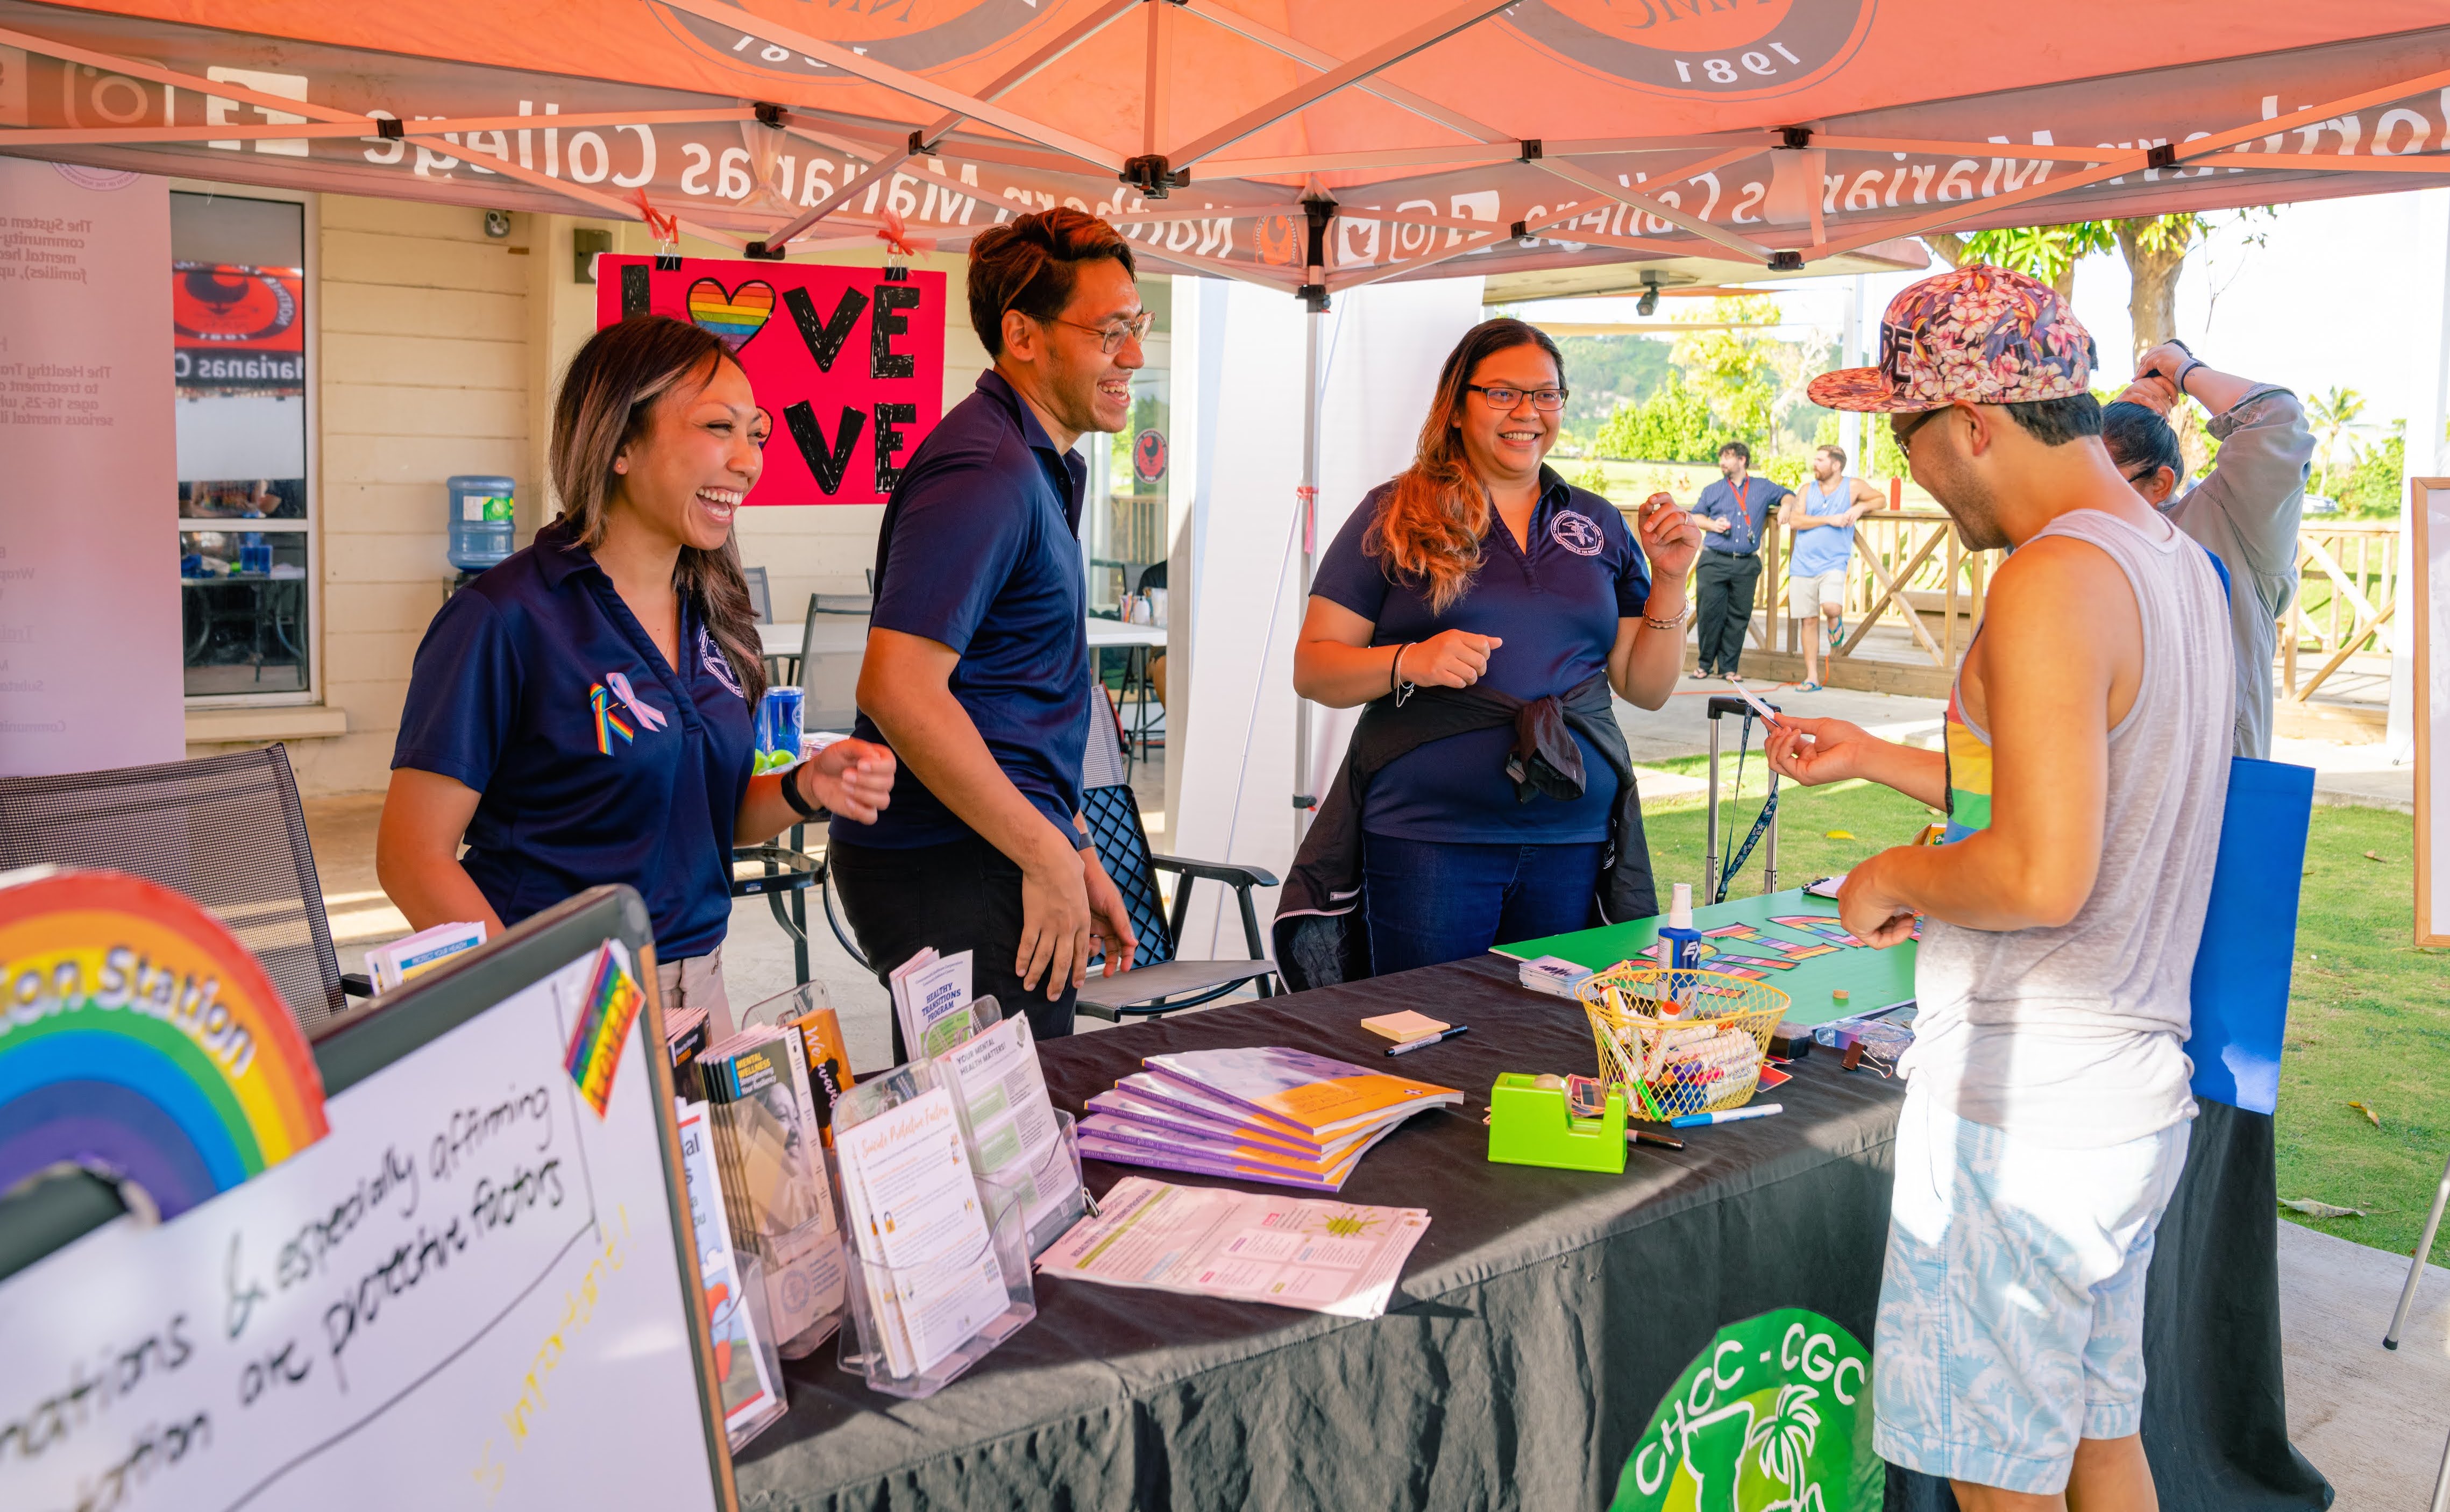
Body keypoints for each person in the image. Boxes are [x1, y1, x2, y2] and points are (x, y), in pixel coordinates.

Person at [1774, 265, 2233, 1511]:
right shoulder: (2168, 561)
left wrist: (1889, 874)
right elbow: (2067, 788)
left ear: (1970, 421)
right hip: (2126, 1089)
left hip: (2026, 1106)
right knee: (2095, 1439)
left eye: (1903, 432)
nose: (1904, 468)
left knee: (1998, 1477)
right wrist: (1880, 765)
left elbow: (2035, 869)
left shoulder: (2046, 578)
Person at [379, 317, 897, 1038]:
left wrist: (805, 786)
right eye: (718, 426)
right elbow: (411, 856)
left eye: (757, 432)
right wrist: (540, 1006)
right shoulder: (503, 617)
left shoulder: (714, 611)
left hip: (700, 987)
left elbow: (703, 817)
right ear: (618, 443)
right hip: (563, 994)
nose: (747, 460)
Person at [1275, 318, 1702, 979]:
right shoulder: (1392, 513)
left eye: (1546, 394)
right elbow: (1314, 667)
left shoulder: (1595, 522)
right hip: (1430, 839)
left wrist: (1669, 581)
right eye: (1502, 394)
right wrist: (1408, 660)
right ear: (1456, 405)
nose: (1527, 413)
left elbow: (1643, 688)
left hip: (1571, 837)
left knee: (1548, 1048)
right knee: (1426, 1040)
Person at [830, 207, 1145, 1050]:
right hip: (950, 859)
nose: (1135, 356)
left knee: (1013, 1141)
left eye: (1136, 325)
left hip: (999, 846)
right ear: (1022, 335)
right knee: (989, 1158)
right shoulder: (982, 471)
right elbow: (897, 687)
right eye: (1111, 330)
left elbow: (1009, 697)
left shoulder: (1032, 461)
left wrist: (1072, 844)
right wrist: (1044, 854)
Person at [2103, 343, 2312, 758]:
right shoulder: (2067, 536)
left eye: (2103, 479)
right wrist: (2118, 411)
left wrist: (2182, 372)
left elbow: (2276, 419)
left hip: (2214, 785)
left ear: (2160, 484)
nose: (2082, 494)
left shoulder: (2234, 525)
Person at [1779, 443, 1883, 691]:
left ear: (1836, 465)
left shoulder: (1853, 486)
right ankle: (1812, 677)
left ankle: (1835, 620)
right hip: (1802, 563)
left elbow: (1881, 499)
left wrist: (1859, 507)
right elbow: (1795, 520)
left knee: (1831, 606)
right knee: (1809, 621)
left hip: (1833, 561)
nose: (1815, 464)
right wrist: (1830, 519)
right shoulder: (1807, 489)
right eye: (1815, 459)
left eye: (1820, 460)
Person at [1687, 440, 1792, 682]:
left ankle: (1729, 669)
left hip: (1745, 563)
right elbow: (1695, 516)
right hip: (1714, 560)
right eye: (1721, 458)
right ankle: (1704, 666)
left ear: (1742, 460)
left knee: (1739, 616)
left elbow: (1788, 495)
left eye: (1727, 457)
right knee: (1709, 613)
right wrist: (1713, 525)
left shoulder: (1762, 487)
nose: (1722, 462)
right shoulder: (1713, 490)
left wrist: (1786, 507)